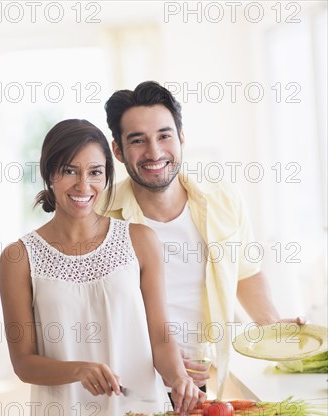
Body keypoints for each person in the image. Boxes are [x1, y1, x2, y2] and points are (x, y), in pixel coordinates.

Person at [101, 81, 305, 396]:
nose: (154, 152)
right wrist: (160, 356)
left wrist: (272, 328)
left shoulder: (222, 198)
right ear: (118, 150)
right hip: (125, 379)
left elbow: (245, 273)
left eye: (164, 136)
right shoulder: (100, 214)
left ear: (182, 138)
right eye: (138, 140)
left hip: (199, 376)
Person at [0, 119, 204, 416]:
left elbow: (160, 339)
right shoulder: (17, 257)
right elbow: (24, 363)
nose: (83, 185)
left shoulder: (140, 240)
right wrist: (78, 370)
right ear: (49, 174)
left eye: (95, 172)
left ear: (107, 176)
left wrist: (179, 379)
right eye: (69, 171)